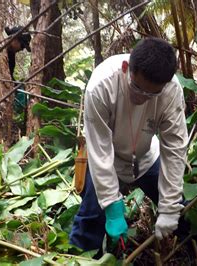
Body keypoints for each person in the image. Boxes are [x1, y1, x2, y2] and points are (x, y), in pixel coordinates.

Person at [70, 38, 188, 252]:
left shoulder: (171, 91)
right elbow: (99, 148)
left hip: (145, 157)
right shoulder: (100, 86)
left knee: (184, 215)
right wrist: (112, 207)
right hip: (108, 160)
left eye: (152, 94)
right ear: (127, 69)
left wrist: (170, 207)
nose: (143, 98)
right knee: (90, 220)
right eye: (137, 88)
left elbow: (175, 148)